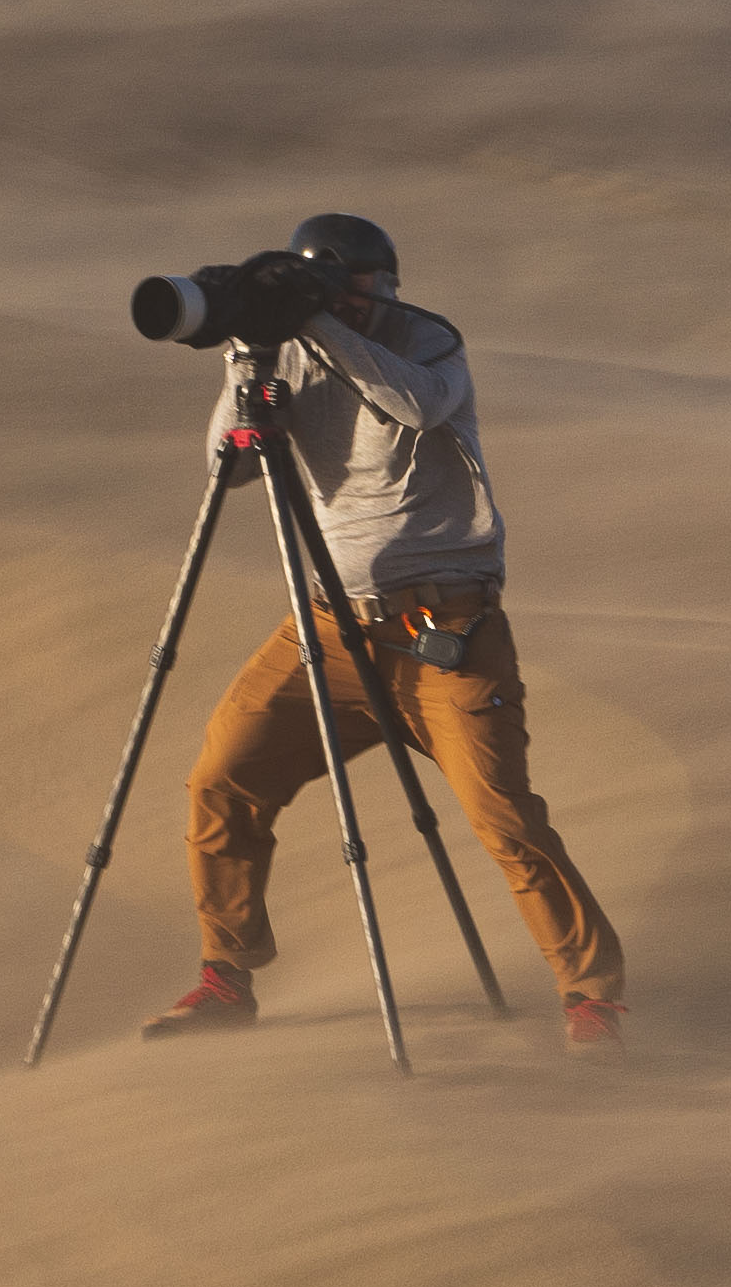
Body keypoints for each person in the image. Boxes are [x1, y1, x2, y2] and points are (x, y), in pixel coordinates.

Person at [149, 212, 629, 1052]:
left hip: (447, 627)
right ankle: (225, 978)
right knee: (220, 781)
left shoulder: (427, 343)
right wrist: (247, 356)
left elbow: (413, 405)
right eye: (339, 289)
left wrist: (315, 322)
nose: (355, 302)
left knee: (504, 820)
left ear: (382, 283)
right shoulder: (285, 350)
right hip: (329, 628)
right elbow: (228, 470)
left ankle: (591, 1000)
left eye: (360, 288)